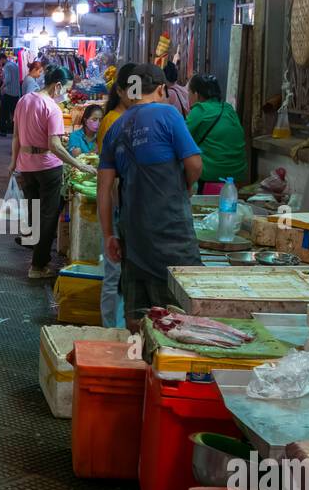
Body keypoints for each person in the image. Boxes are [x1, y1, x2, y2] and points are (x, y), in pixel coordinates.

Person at [98, 63, 203, 324]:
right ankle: (167, 363)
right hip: (171, 235)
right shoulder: (167, 115)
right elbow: (194, 164)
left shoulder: (116, 126)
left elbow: (104, 189)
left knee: (138, 318)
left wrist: (109, 234)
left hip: (132, 237)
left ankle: (138, 360)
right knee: (176, 318)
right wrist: (185, 186)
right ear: (160, 89)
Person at [9, 64, 88, 278]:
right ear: (58, 85)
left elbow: (16, 135)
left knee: (35, 214)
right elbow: (55, 146)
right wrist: (78, 164)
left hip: (26, 166)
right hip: (48, 167)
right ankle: (38, 266)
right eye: (67, 89)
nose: (66, 94)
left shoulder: (24, 100)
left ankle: (36, 255)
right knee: (49, 216)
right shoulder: (51, 108)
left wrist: (13, 162)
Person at [96, 62, 139, 327]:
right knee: (114, 272)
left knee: (122, 272)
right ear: (121, 91)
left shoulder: (131, 118)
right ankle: (111, 328)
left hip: (125, 205)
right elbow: (109, 177)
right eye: (132, 89)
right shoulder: (113, 120)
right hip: (117, 203)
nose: (137, 95)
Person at [185, 74, 248, 191]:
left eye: (189, 92)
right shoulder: (229, 109)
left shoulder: (199, 110)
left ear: (196, 94)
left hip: (211, 174)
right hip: (238, 173)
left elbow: (180, 140)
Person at [0, 51, 20, 136]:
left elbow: (8, 79)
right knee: (14, 114)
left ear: (2, 59)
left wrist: (2, 87)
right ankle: (16, 131)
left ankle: (3, 131)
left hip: (8, 93)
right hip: (16, 93)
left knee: (3, 112)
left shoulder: (7, 66)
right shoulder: (14, 65)